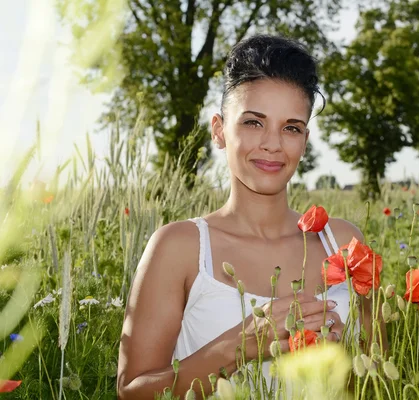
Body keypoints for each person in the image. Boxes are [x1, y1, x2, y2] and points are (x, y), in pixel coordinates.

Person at [117, 34, 384, 399]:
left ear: (304, 141)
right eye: (253, 123)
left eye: (291, 127)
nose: (273, 143)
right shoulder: (179, 246)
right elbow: (132, 392)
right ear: (218, 130)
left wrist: (337, 357)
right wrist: (239, 347)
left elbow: (380, 379)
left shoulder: (343, 242)